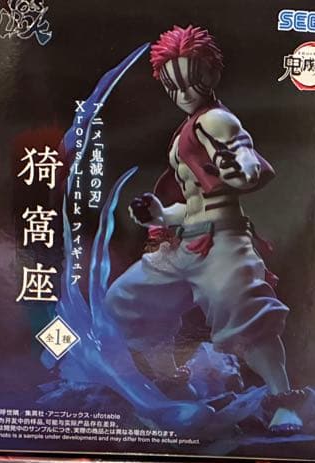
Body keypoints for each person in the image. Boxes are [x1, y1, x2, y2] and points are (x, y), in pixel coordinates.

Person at [103, 25, 303, 432]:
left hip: (223, 243)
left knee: (247, 319)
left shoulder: (215, 119)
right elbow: (194, 204)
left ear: (210, 74)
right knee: (126, 300)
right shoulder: (185, 130)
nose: (183, 94)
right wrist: (161, 215)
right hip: (186, 246)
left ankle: (283, 402)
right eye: (173, 87)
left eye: (191, 82)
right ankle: (172, 381)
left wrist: (241, 169)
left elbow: (244, 158)